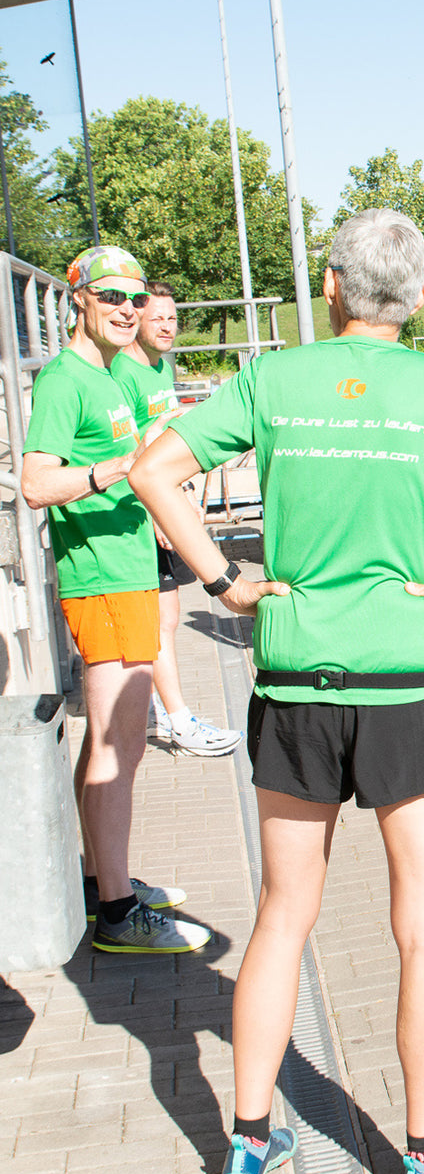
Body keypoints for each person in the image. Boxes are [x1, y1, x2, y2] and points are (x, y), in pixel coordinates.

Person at [129, 209, 424, 1174]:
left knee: (283, 914)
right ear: (417, 297)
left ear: (330, 289)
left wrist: (221, 582)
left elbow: (154, 469)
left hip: (295, 676)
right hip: (412, 679)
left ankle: (248, 1145)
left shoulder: (272, 380)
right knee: (423, 923)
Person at [21, 245, 212, 957]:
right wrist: (116, 469)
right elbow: (37, 483)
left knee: (112, 744)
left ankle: (105, 876)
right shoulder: (69, 380)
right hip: (101, 579)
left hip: (127, 570)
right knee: (118, 747)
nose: (127, 310)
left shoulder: (115, 374)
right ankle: (117, 912)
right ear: (79, 300)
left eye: (135, 299)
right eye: (112, 297)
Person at [111, 280, 244, 757]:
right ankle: (177, 719)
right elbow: (131, 455)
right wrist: (158, 516)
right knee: (161, 622)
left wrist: (182, 492)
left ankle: (161, 711)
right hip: (141, 515)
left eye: (172, 317)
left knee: (162, 621)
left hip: (164, 505)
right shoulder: (124, 372)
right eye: (157, 318)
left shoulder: (159, 368)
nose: (168, 326)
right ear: (135, 320)